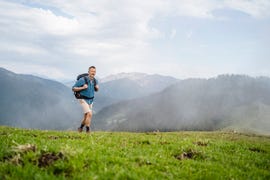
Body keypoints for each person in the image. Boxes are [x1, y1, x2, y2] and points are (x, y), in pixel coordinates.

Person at [72, 66, 99, 133]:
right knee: (89, 114)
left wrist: (97, 88)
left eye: (94, 71)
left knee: (86, 116)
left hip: (91, 100)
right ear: (88, 72)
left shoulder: (95, 81)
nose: (93, 73)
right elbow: (73, 88)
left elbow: (96, 90)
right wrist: (83, 88)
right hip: (83, 99)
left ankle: (80, 128)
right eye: (92, 71)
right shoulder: (83, 80)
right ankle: (88, 130)